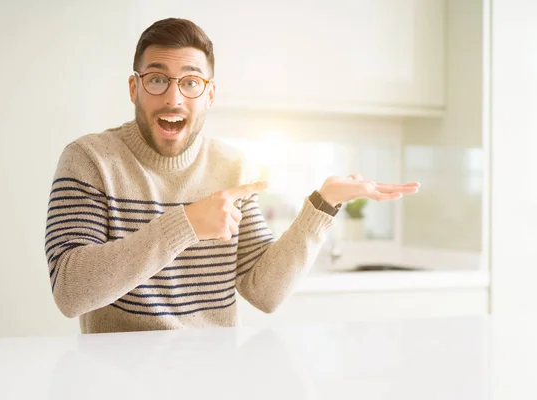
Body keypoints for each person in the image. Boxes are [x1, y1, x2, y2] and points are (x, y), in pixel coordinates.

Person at [44, 18, 420, 334]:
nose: (174, 98)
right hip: (116, 380)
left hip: (216, 375)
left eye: (190, 82)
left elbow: (264, 292)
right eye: (158, 79)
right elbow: (70, 291)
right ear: (134, 88)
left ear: (209, 95)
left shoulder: (232, 166)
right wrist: (186, 224)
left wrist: (323, 204)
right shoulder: (90, 160)